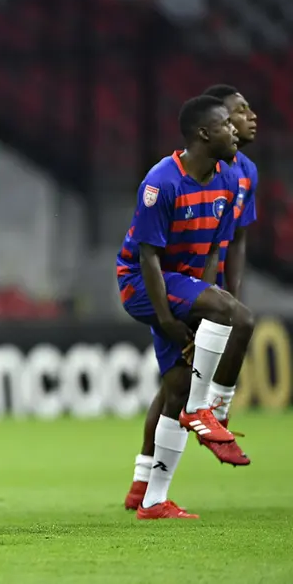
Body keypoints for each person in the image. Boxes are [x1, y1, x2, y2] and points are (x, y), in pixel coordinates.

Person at [115, 95, 254, 520]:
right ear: (203, 134)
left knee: (177, 384)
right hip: (142, 284)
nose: (235, 130)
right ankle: (212, 410)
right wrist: (167, 319)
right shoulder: (163, 181)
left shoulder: (230, 179)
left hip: (184, 288)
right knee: (242, 317)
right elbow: (148, 257)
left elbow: (215, 250)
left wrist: (202, 311)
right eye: (227, 125)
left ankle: (153, 499)